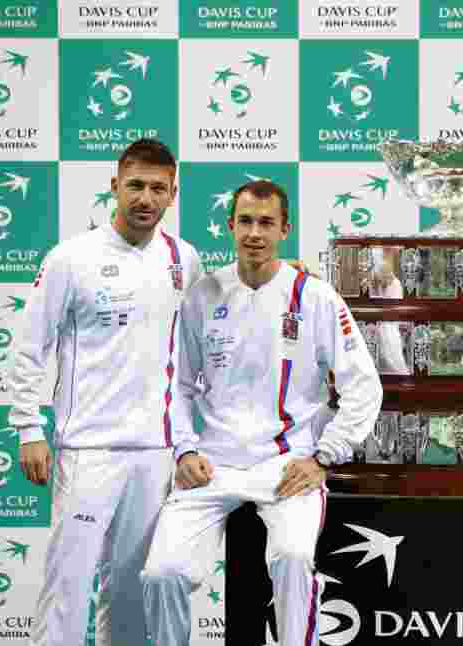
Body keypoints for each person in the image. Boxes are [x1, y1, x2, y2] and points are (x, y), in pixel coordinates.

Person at [140, 180, 383, 645]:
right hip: (212, 465)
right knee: (161, 574)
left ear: (284, 229)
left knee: (292, 559)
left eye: (266, 223)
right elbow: (179, 385)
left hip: (286, 465)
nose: (255, 232)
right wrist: (186, 449)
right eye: (246, 221)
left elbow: (364, 387)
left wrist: (323, 457)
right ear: (230, 226)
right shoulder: (202, 295)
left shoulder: (315, 297)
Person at [10, 139, 203, 646]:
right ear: (115, 186)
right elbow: (29, 347)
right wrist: (30, 428)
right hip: (87, 450)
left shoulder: (185, 259)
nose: (145, 198)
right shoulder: (70, 258)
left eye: (157, 188)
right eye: (135, 185)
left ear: (173, 193)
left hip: (154, 454)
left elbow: (204, 341)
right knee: (68, 585)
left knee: (131, 592)